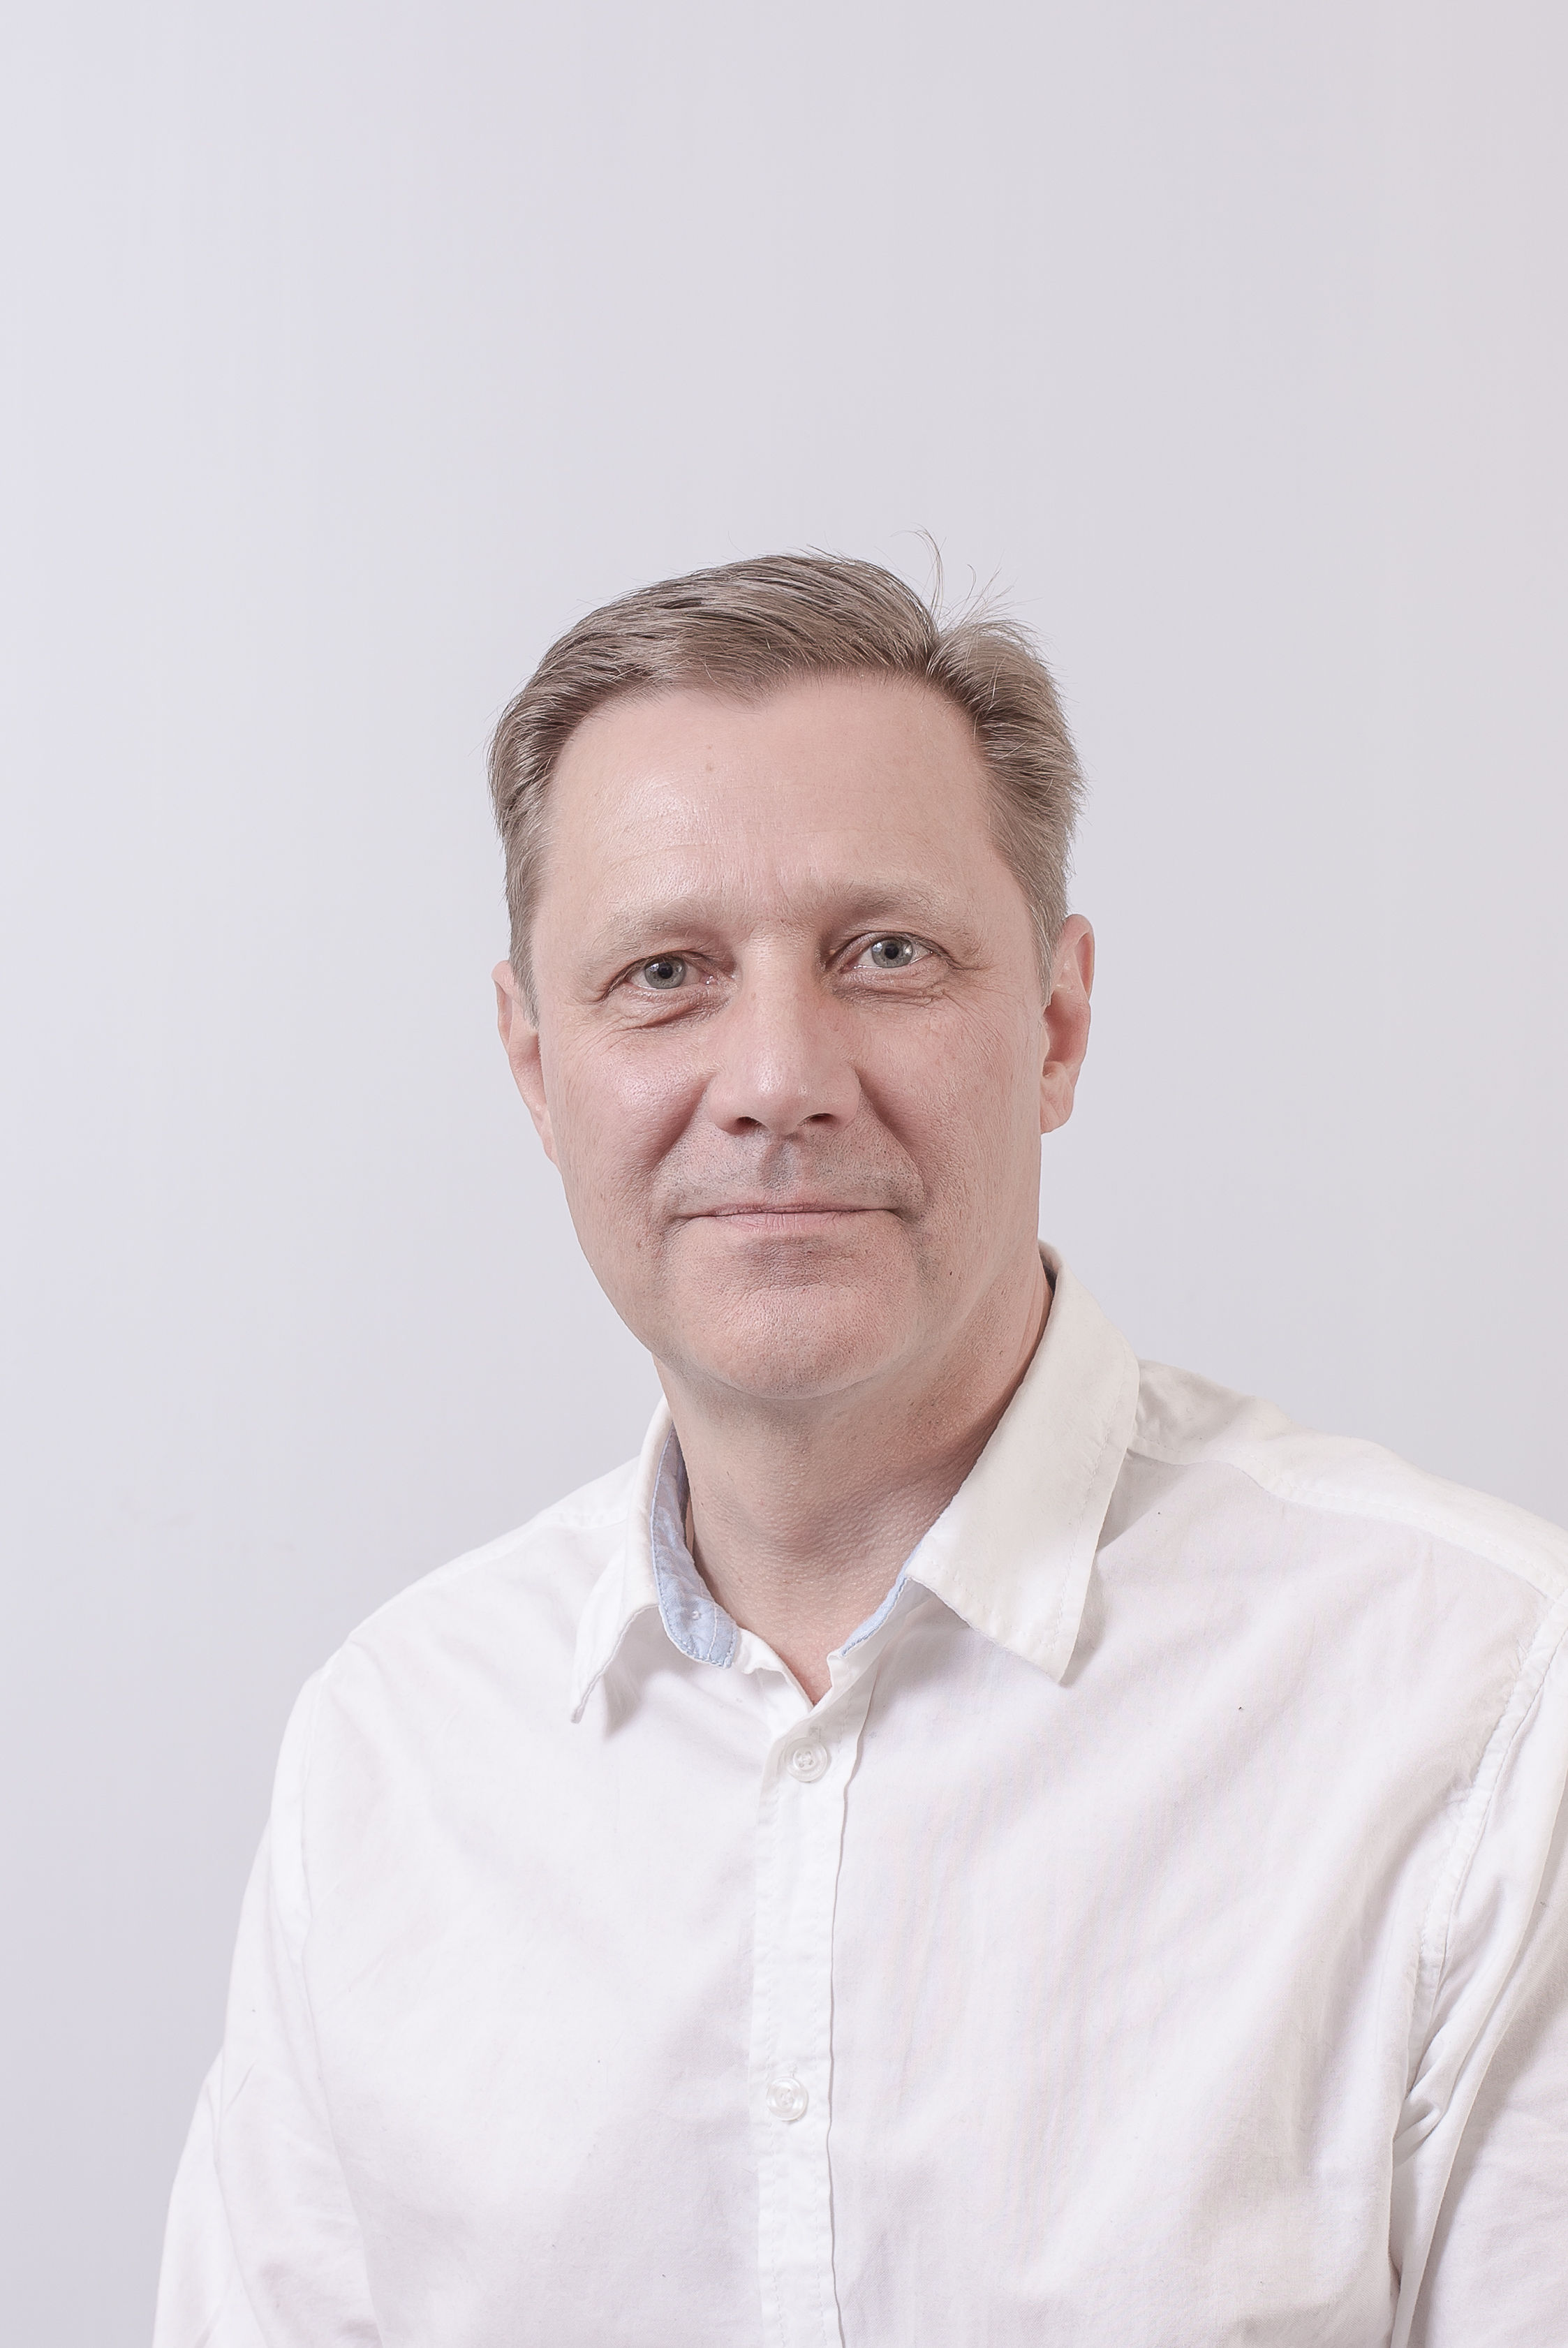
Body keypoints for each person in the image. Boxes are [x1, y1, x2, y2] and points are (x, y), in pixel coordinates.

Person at [154, 555, 1568, 2348]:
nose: (777, 1076)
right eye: (664, 973)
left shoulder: (1478, 1699)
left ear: (1054, 1023)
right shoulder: (395, 1751)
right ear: (533, 1064)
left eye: (884, 954)